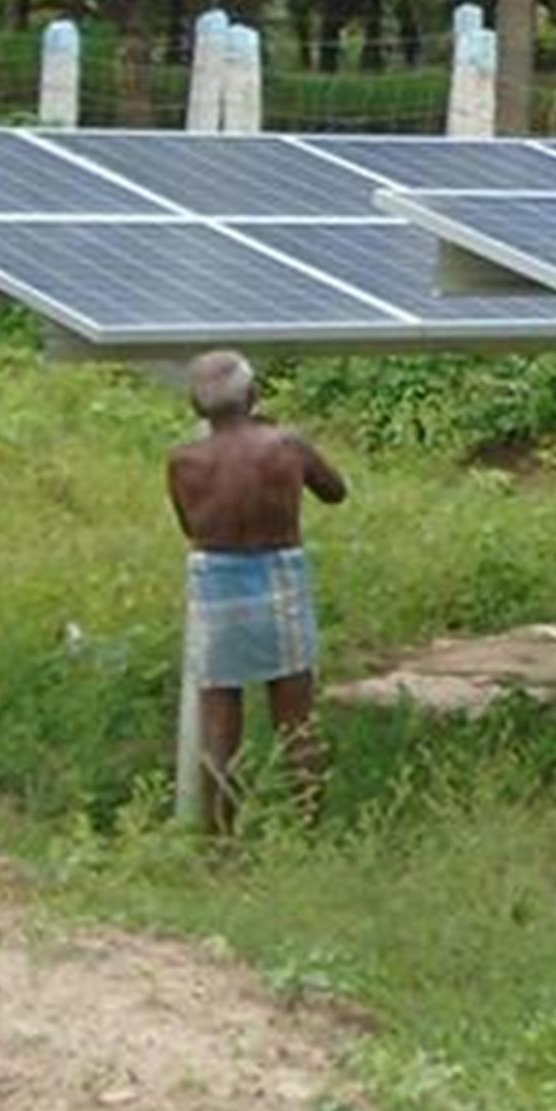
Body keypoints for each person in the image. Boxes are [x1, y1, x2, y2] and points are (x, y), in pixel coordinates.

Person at [165, 348, 344, 829]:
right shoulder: (286, 444)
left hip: (216, 580)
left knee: (220, 720)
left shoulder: (183, 461)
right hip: (279, 574)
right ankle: (308, 830)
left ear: (196, 406)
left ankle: (221, 842)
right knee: (296, 718)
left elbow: (189, 525)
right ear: (253, 394)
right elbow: (335, 490)